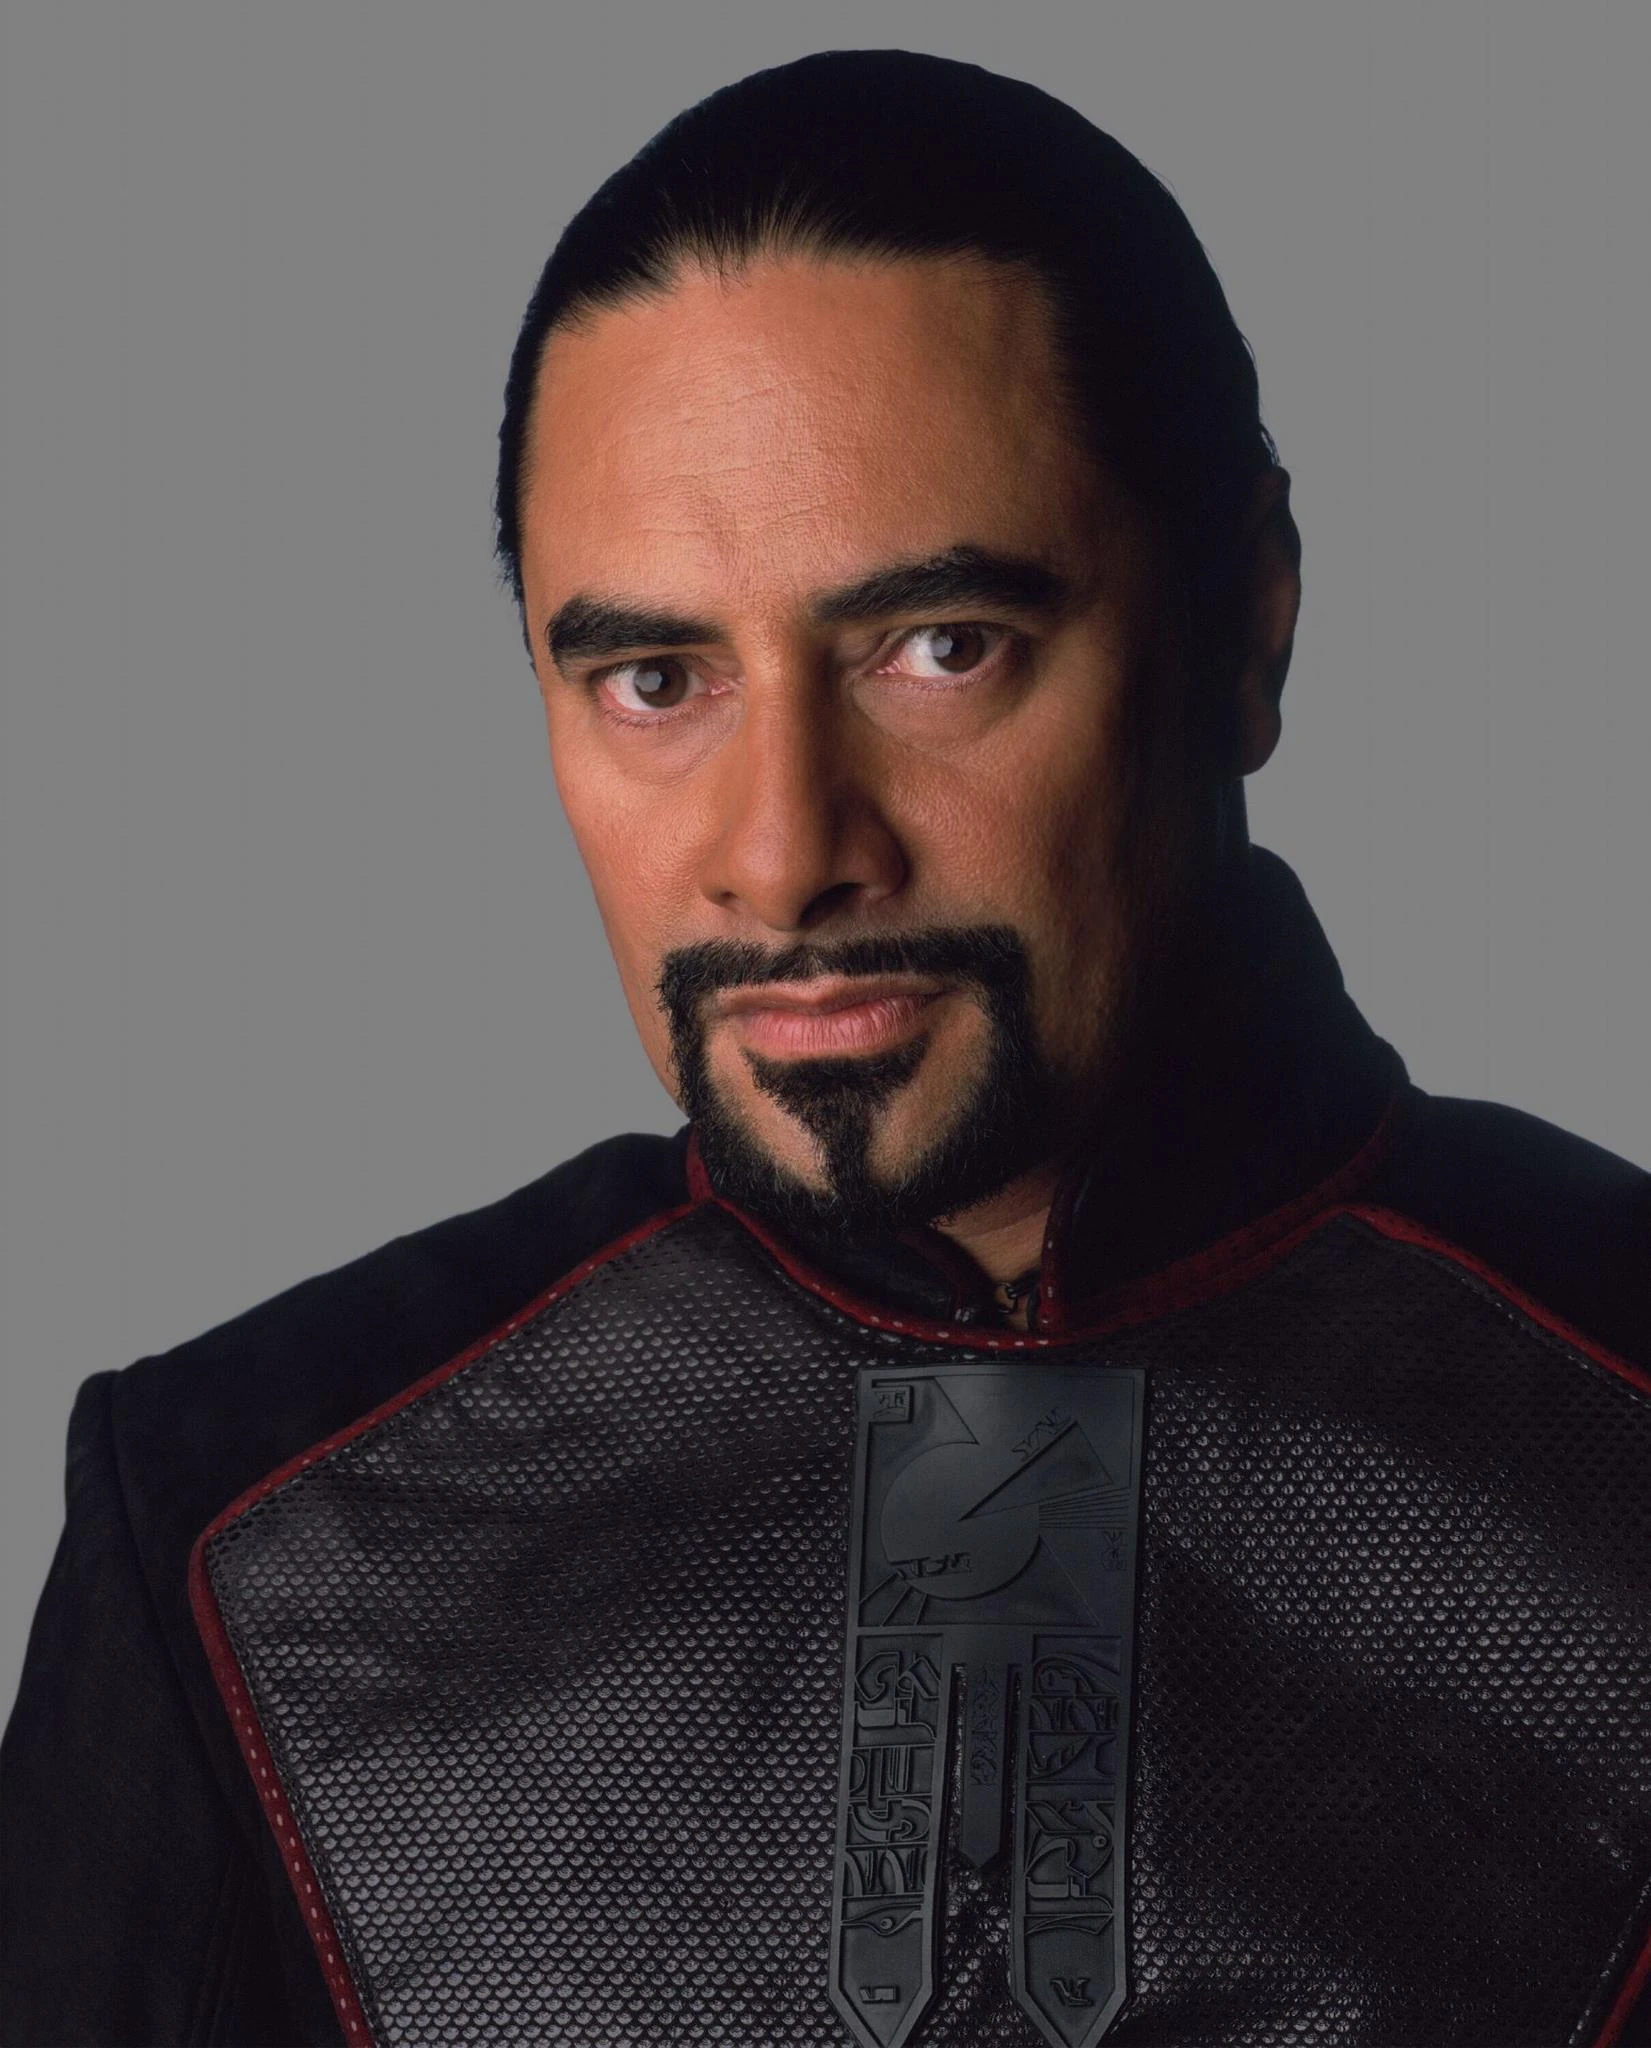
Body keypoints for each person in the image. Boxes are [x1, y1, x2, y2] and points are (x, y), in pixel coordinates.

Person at [3, 46, 1647, 2048]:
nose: (785, 852)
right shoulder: (241, 1537)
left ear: (1247, 624)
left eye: (939, 648)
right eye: (656, 678)